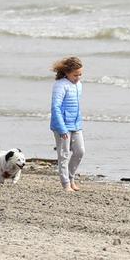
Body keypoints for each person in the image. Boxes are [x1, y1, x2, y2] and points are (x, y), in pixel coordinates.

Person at [49, 56, 85, 192]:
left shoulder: (79, 85)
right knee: (63, 155)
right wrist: (62, 128)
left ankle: (71, 178)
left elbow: (76, 106)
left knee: (80, 151)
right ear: (67, 73)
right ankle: (65, 184)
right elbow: (55, 107)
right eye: (75, 75)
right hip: (61, 126)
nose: (78, 78)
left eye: (80, 74)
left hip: (76, 124)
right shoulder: (60, 85)